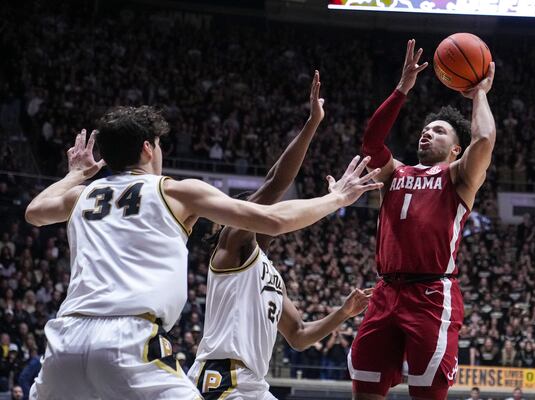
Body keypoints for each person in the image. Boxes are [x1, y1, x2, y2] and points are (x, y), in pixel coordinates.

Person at [24, 104, 381, 399]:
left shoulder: (82, 195)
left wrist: (75, 174)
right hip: (131, 338)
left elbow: (35, 212)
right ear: (149, 148)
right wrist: (337, 198)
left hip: (65, 337)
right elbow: (273, 216)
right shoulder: (175, 191)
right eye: (159, 145)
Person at [187, 71, 373, 399]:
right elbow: (275, 183)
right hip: (223, 377)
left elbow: (299, 336)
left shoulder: (269, 273)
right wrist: (313, 122)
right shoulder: (232, 246)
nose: (263, 211)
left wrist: (343, 313)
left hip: (253, 384)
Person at [349, 39, 496, 400]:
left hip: (431, 295)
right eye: (425, 130)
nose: (427, 132)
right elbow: (371, 143)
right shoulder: (394, 172)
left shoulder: (459, 177)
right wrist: (401, 89)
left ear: (456, 149)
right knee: (364, 390)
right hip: (385, 292)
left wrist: (479, 94)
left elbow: (485, 138)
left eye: (439, 131)